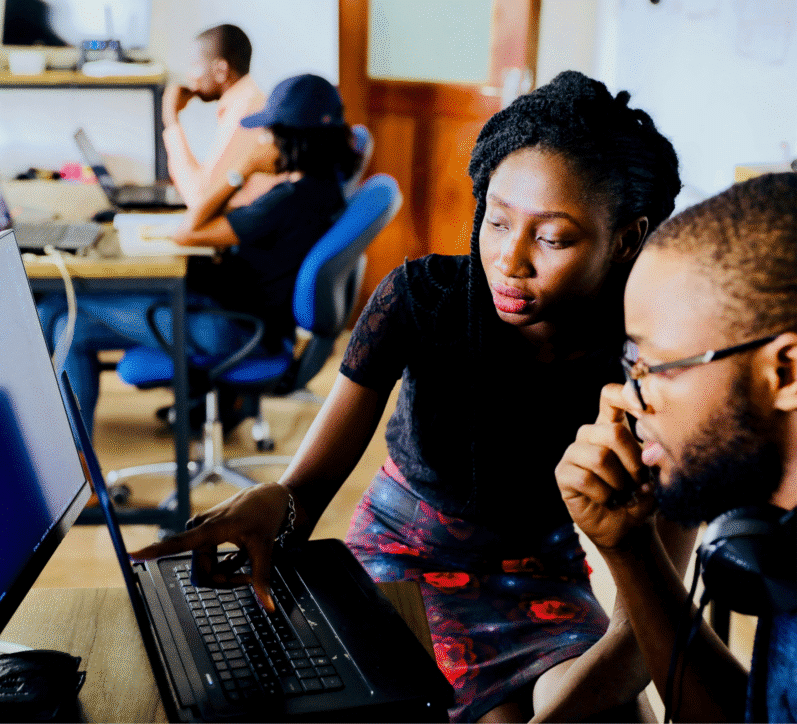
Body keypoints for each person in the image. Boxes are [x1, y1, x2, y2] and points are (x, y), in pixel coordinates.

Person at [131, 71, 691, 722]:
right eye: (497, 221)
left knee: (614, 715)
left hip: (539, 580)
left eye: (552, 237)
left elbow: (645, 629)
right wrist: (273, 505)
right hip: (399, 562)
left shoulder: (655, 371)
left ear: (626, 238)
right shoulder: (423, 301)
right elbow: (305, 491)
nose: (509, 260)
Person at [555, 172, 797, 722]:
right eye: (629, 364)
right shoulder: (781, 539)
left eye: (654, 366)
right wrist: (631, 549)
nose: (625, 397)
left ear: (786, 371)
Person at [38, 74, 359, 436]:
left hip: (231, 328)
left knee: (61, 316)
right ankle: (78, 459)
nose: (262, 139)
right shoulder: (325, 190)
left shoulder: (288, 202)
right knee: (62, 315)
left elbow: (188, 230)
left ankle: (78, 464)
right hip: (241, 315)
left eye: (269, 132)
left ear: (292, 138)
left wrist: (242, 169)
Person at [162, 23, 271, 209]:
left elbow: (200, 199)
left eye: (195, 65)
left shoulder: (244, 112)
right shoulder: (247, 100)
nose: (190, 76)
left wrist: (171, 119)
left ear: (221, 70)